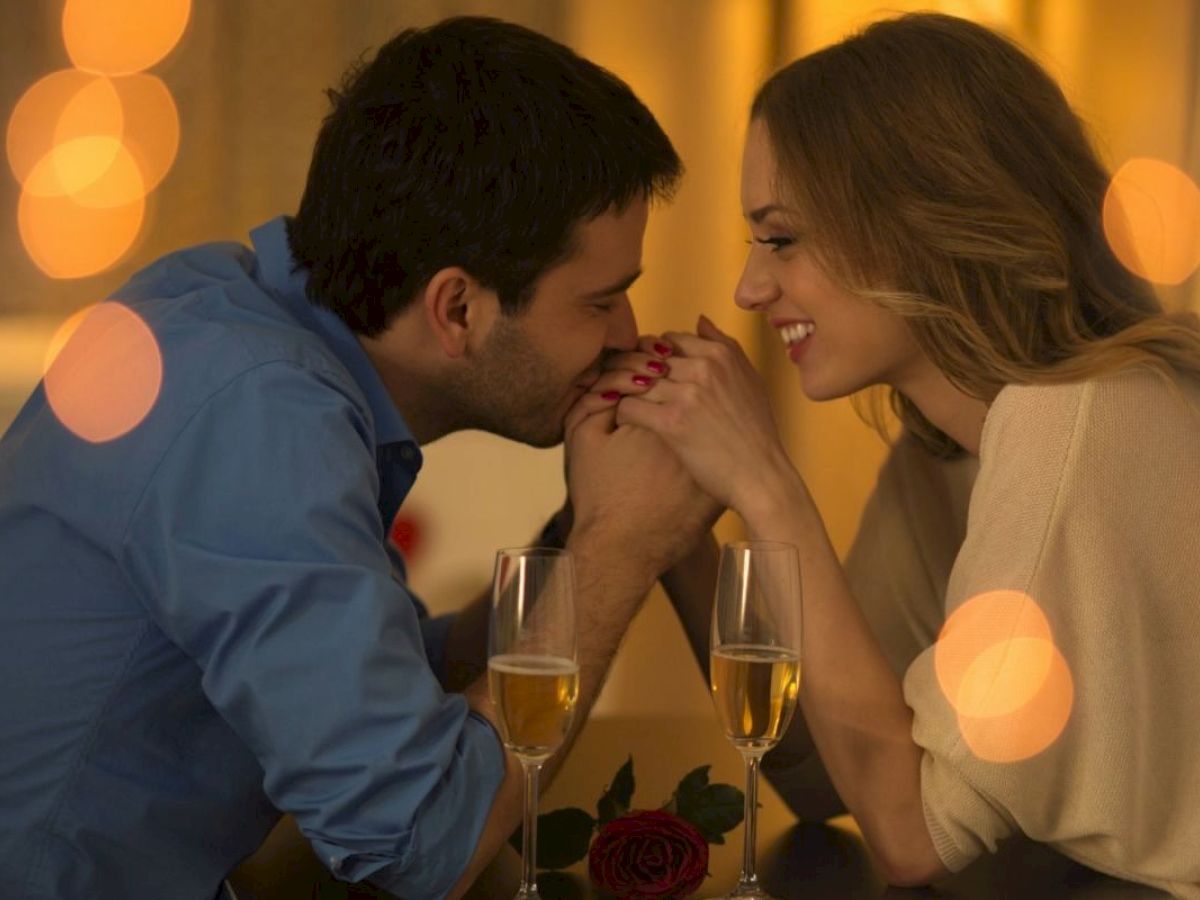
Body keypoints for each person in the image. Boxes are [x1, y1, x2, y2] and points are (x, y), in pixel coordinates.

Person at [0, 17, 715, 900]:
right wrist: (621, 552)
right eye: (601, 302)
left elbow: (390, 683)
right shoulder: (259, 412)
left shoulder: (237, 311)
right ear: (457, 308)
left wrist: (581, 532)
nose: (627, 338)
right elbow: (420, 840)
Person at [589, 12, 1200, 897]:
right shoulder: (947, 455)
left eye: (783, 236)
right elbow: (820, 771)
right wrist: (677, 525)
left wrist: (766, 483)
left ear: (923, 219)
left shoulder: (1082, 424)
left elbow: (912, 834)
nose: (750, 287)